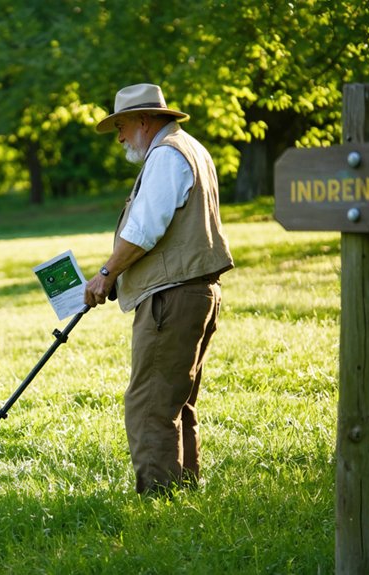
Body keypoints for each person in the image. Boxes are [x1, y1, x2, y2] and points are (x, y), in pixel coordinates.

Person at [84, 83, 234, 495]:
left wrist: (106, 273)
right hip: (193, 292)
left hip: (172, 296)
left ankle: (158, 498)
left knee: (149, 403)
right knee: (176, 401)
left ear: (144, 121)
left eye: (122, 127)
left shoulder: (167, 155)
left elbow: (144, 230)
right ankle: (182, 493)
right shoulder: (190, 149)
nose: (119, 137)